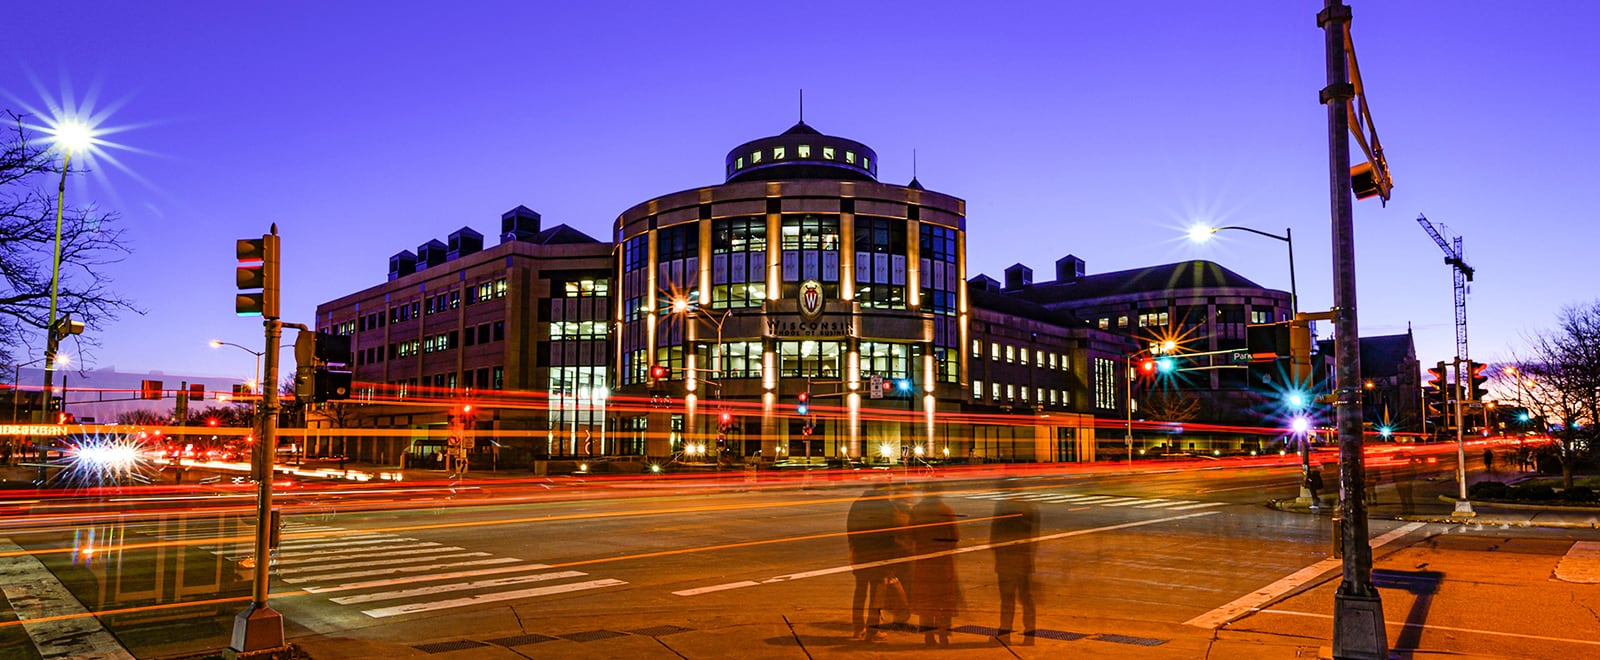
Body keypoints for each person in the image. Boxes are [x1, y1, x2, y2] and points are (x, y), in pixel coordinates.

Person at [846, 485, 907, 641]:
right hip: (879, 556)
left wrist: (853, 548)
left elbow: (850, 528)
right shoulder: (887, 506)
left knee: (860, 592)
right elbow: (891, 534)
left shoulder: (858, 503)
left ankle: (858, 628)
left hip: (860, 554)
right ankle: (873, 630)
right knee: (876, 594)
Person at [910, 483, 960, 646]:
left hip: (924, 561)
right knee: (943, 599)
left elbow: (911, 534)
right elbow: (955, 535)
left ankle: (928, 636)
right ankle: (944, 634)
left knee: (926, 599)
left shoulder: (917, 510)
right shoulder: (945, 510)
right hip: (943, 562)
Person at [991, 499, 1039, 643]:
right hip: (1023, 560)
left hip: (1006, 561)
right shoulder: (1028, 508)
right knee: (1026, 598)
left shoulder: (1002, 508)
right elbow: (1033, 535)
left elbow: (994, 537)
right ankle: (1030, 633)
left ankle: (1005, 631)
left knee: (1007, 598)